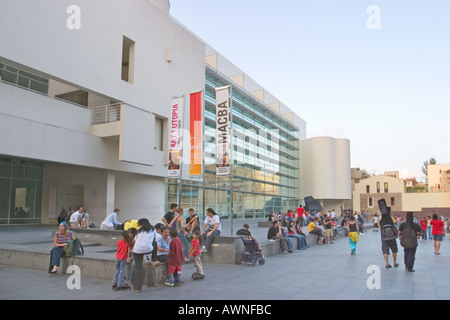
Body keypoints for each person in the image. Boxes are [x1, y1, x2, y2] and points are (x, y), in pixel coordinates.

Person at [132, 218, 156, 293]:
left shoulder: (138, 230)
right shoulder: (153, 229)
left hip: (137, 250)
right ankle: (154, 260)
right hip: (148, 249)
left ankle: (137, 288)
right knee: (155, 243)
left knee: (138, 268)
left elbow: (135, 241)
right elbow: (154, 239)